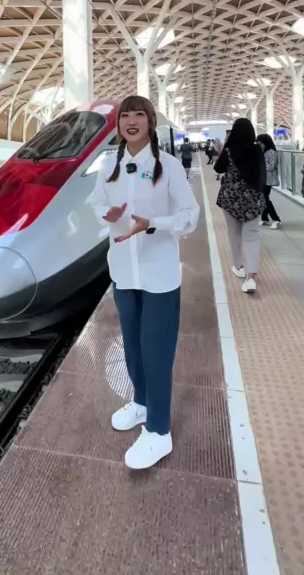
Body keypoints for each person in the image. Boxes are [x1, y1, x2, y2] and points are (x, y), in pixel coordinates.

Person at [89, 95, 199, 470]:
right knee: (133, 346)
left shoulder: (169, 166)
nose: (131, 121)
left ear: (151, 122)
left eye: (139, 114)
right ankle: (140, 402)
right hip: (123, 270)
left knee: (156, 350)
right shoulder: (109, 166)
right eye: (125, 115)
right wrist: (108, 214)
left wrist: (154, 223)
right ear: (118, 124)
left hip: (158, 273)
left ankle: (159, 430)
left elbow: (190, 215)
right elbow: (95, 205)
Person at [214, 118, 266, 294]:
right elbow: (262, 174)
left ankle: (238, 267)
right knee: (252, 237)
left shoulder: (229, 150)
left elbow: (218, 168)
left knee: (234, 234)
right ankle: (251, 278)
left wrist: (224, 148)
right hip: (253, 200)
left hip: (231, 199)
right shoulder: (257, 149)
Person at [257, 133, 281, 229]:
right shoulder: (263, 151)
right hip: (263, 178)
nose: (259, 145)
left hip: (268, 179)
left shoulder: (271, 152)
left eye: (260, 143)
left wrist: (259, 165)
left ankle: (276, 219)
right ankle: (264, 218)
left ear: (265, 143)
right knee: (263, 198)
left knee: (264, 198)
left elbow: (271, 166)